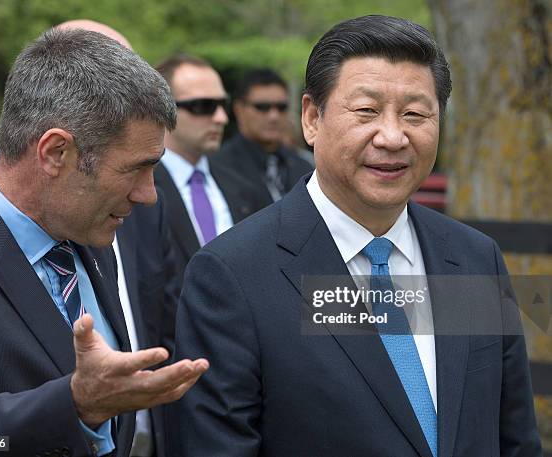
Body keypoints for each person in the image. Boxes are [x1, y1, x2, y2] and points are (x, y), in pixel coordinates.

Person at [168, 15, 541, 457]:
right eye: (366, 111)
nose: (392, 136)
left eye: (415, 114)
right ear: (311, 118)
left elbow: (514, 436)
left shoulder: (474, 256)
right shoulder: (234, 274)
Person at [0, 28, 208, 457]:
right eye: (134, 169)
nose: (148, 194)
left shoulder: (88, 230)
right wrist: (77, 405)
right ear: (55, 153)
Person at [153, 55, 268, 280]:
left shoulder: (244, 185)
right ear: (161, 108)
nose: (221, 118)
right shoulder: (137, 192)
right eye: (204, 106)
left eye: (222, 104)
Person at [214, 68, 313, 204]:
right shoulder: (218, 168)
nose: (274, 116)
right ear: (239, 110)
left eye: (281, 107)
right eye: (262, 107)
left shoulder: (303, 166)